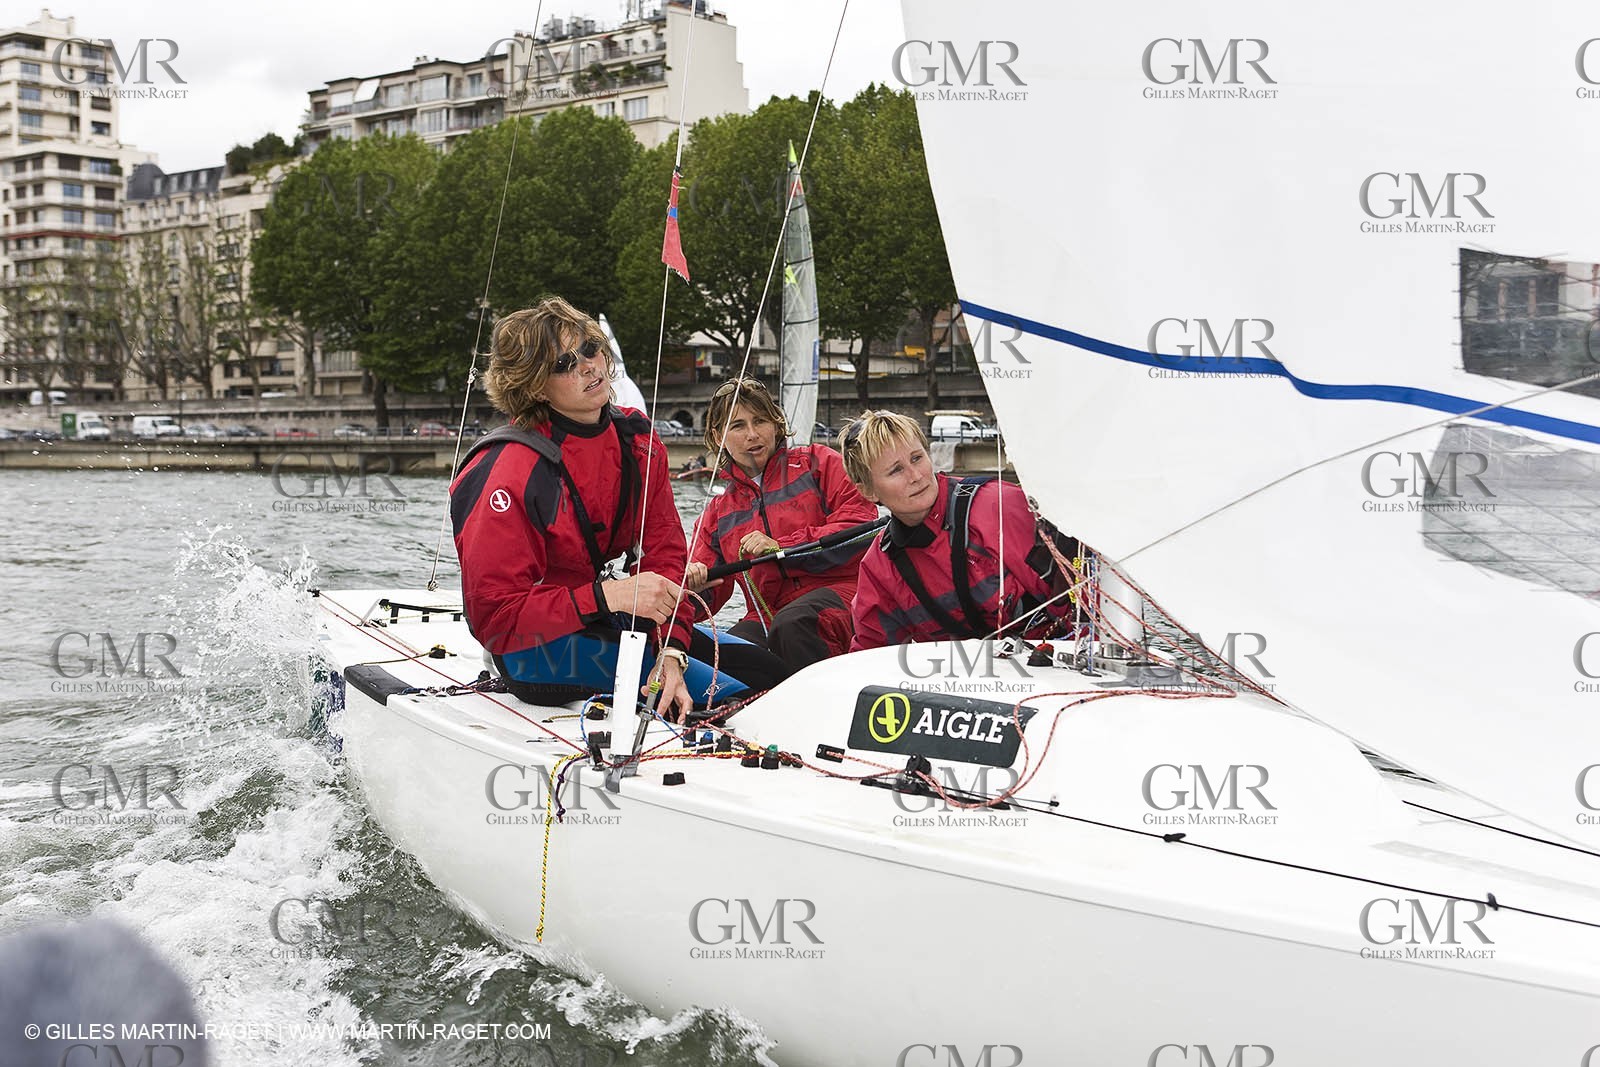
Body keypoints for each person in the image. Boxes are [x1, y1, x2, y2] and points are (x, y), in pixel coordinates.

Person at [450, 297, 790, 719]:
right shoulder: (504, 472)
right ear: (535, 386)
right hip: (534, 648)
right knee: (739, 704)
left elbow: (664, 557)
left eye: (590, 349)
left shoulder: (638, 442)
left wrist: (672, 649)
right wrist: (609, 595)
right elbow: (494, 618)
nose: (589, 367)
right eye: (564, 364)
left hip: (608, 617)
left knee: (778, 677)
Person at [838, 409, 1080, 651]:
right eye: (895, 470)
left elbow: (1081, 594)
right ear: (868, 491)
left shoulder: (997, 506)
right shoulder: (880, 567)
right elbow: (871, 654)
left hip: (1051, 664)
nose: (916, 476)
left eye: (916, 458)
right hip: (961, 679)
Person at [684, 378, 879, 668]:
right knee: (719, 651)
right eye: (738, 426)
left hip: (845, 594)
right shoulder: (717, 513)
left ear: (776, 424)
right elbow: (703, 601)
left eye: (760, 421)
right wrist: (692, 585)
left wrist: (781, 547)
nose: (753, 434)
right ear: (718, 435)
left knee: (794, 625)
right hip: (766, 615)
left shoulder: (819, 464)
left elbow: (860, 527)